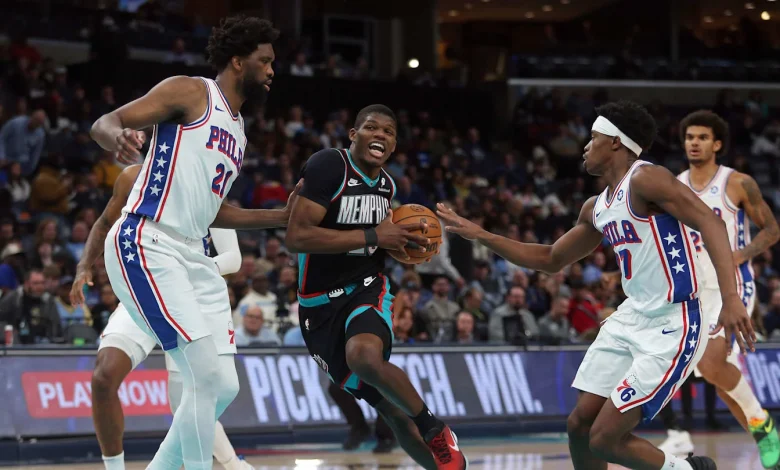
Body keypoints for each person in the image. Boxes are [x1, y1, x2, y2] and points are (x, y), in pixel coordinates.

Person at [437, 100, 755, 470]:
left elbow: (711, 223)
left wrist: (731, 298)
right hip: (631, 317)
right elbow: (550, 259)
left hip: (675, 321)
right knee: (579, 426)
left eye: (593, 137)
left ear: (616, 142)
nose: (586, 146)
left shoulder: (647, 178)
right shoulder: (596, 207)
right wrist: (482, 235)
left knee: (605, 438)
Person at [90, 16, 289, 469]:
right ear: (237, 61)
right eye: (264, 61)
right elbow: (106, 121)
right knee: (201, 372)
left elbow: (213, 212)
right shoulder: (192, 92)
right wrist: (117, 136)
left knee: (223, 385)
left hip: (192, 252)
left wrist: (282, 216)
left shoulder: (238, 131)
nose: (271, 70)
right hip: (149, 238)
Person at [71, 164, 296, 469]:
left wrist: (192, 270)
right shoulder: (134, 177)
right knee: (103, 377)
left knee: (195, 396)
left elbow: (233, 259)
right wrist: (84, 266)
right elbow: (104, 222)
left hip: (193, 296)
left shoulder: (207, 185)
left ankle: (229, 463)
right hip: (147, 284)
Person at [286, 104, 467, 470]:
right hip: (317, 308)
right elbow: (297, 236)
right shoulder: (328, 165)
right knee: (393, 413)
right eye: (371, 127)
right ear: (354, 135)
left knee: (364, 357)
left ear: (394, 145)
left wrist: (404, 244)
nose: (380, 135)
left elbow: (380, 237)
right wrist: (375, 236)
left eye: (388, 131)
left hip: (366, 288)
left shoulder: (387, 185)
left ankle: (434, 428)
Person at [657, 110, 780, 467]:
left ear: (717, 144)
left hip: (732, 285)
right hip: (696, 290)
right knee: (718, 377)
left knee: (712, 363)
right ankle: (769, 448)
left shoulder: (737, 183)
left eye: (702, 137)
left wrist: (741, 254)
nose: (694, 143)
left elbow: (772, 230)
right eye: (689, 137)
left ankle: (763, 423)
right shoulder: (674, 186)